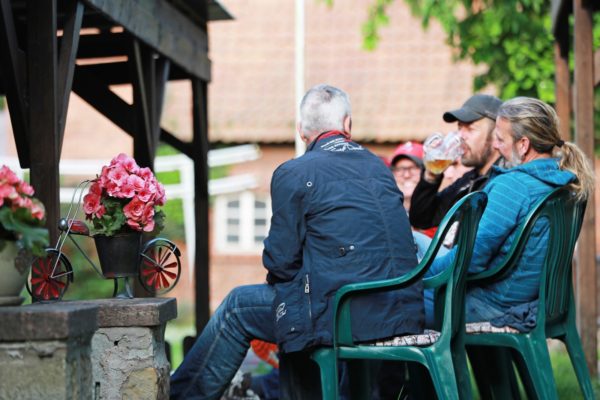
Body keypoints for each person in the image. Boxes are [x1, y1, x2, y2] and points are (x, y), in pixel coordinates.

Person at [170, 84, 424, 400]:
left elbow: (280, 261)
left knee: (239, 305)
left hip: (349, 312)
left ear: (302, 131)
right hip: (401, 307)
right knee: (293, 303)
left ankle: (178, 397)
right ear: (347, 125)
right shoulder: (378, 167)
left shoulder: (294, 172)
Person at [424, 96, 594, 326]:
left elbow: (471, 258)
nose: (495, 146)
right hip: (533, 302)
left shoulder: (514, 186)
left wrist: (419, 272)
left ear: (523, 145)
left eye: (500, 139)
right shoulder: (562, 184)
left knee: (394, 298)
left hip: (491, 306)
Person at [409, 94, 503, 230]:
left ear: (496, 136)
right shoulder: (470, 179)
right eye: (459, 128)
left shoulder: (504, 181)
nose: (460, 136)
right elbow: (421, 219)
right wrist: (431, 176)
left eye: (470, 129)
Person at [389, 141, 424, 210]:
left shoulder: (442, 210)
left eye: (413, 168)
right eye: (400, 169)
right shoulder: (384, 212)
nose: (406, 175)